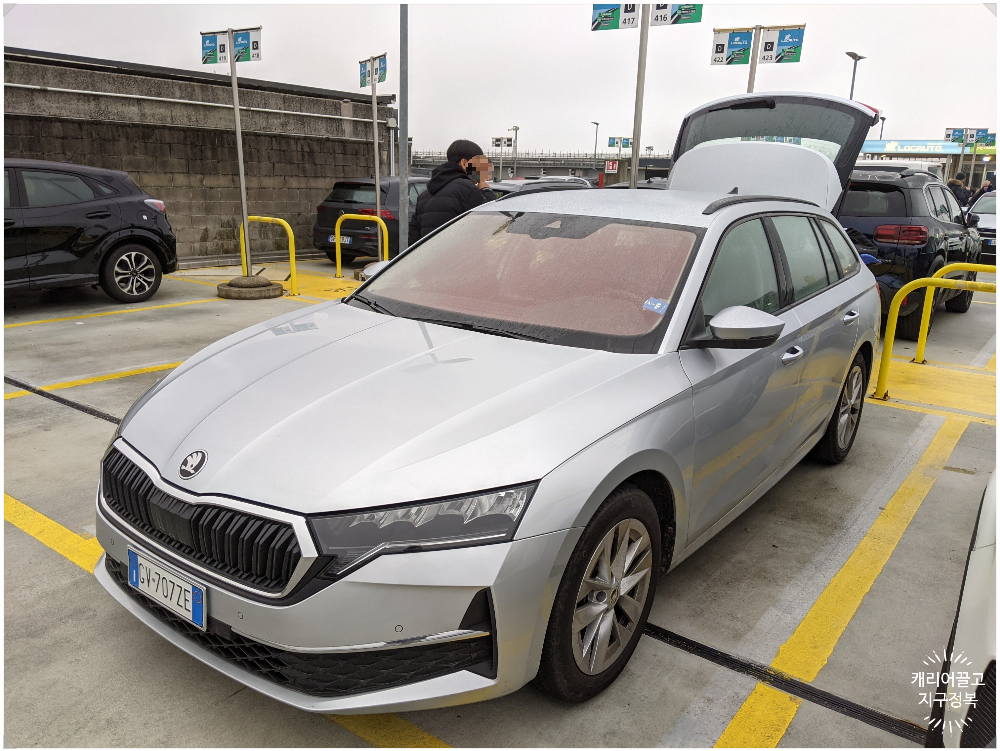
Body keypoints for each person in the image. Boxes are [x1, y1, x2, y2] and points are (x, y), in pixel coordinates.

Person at [409, 140, 495, 241]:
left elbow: (413, 238)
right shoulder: (467, 189)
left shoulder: (424, 196)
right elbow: (491, 219)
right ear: (464, 163)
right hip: (457, 255)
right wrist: (486, 190)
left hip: (430, 256)